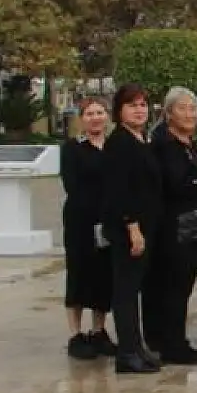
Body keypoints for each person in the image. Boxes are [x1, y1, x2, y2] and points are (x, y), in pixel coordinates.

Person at [147, 87, 197, 365]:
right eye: (182, 108)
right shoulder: (163, 144)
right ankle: (169, 343)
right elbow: (175, 183)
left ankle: (175, 339)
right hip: (172, 227)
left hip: (191, 225)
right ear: (169, 113)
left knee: (182, 285)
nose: (189, 114)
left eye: (192, 109)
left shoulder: (189, 144)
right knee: (170, 286)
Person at [102, 84, 163, 373]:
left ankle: (137, 345)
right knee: (125, 292)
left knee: (135, 289)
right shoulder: (119, 143)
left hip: (147, 225)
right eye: (132, 105)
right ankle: (126, 352)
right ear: (119, 111)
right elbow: (119, 191)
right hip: (129, 229)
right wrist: (132, 227)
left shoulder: (140, 139)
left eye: (142, 104)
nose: (139, 110)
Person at [62, 96, 116, 360]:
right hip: (82, 221)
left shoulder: (114, 147)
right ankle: (75, 334)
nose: (96, 117)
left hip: (108, 221)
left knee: (104, 275)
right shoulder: (73, 148)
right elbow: (72, 185)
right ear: (81, 119)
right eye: (90, 113)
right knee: (80, 273)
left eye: (100, 112)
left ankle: (99, 330)